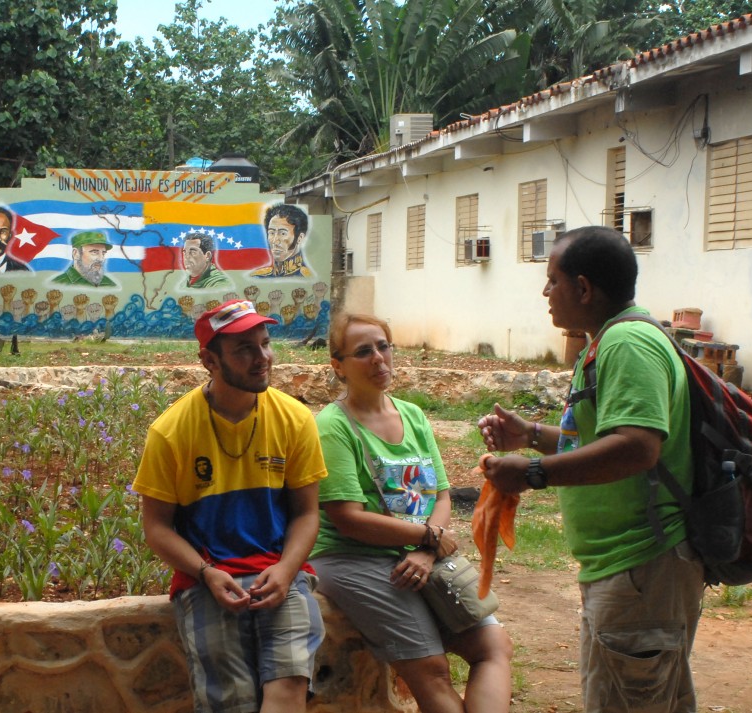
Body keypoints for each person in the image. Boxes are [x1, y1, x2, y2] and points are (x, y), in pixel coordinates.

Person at [478, 226, 703, 713]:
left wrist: (534, 471)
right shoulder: (603, 343)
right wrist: (532, 434)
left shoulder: (627, 344)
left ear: (583, 288)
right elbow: (602, 439)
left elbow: (638, 447)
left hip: (641, 567)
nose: (545, 292)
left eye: (552, 280)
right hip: (627, 570)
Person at [310, 312, 513, 713]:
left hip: (419, 551)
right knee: (432, 670)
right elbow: (347, 517)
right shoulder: (333, 427)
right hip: (353, 556)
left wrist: (426, 548)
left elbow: (441, 495)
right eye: (363, 352)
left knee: (493, 646)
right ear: (338, 366)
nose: (378, 359)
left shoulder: (413, 415)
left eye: (383, 346)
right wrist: (426, 539)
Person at [132, 298, 327, 713]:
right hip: (207, 581)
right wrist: (206, 573)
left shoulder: (295, 419)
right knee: (230, 698)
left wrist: (286, 569)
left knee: (290, 680)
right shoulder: (170, 432)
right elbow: (157, 528)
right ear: (209, 361)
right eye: (245, 349)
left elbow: (308, 513)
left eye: (266, 343)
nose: (263, 359)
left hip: (282, 575)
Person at [251, 204, 312, 278]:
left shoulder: (307, 277)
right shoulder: (258, 277)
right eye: (271, 233)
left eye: (283, 233)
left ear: (300, 237)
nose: (275, 241)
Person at [52, 231, 117, 287]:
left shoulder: (109, 284)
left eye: (103, 253)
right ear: (76, 253)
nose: (101, 259)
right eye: (94, 252)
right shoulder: (58, 283)